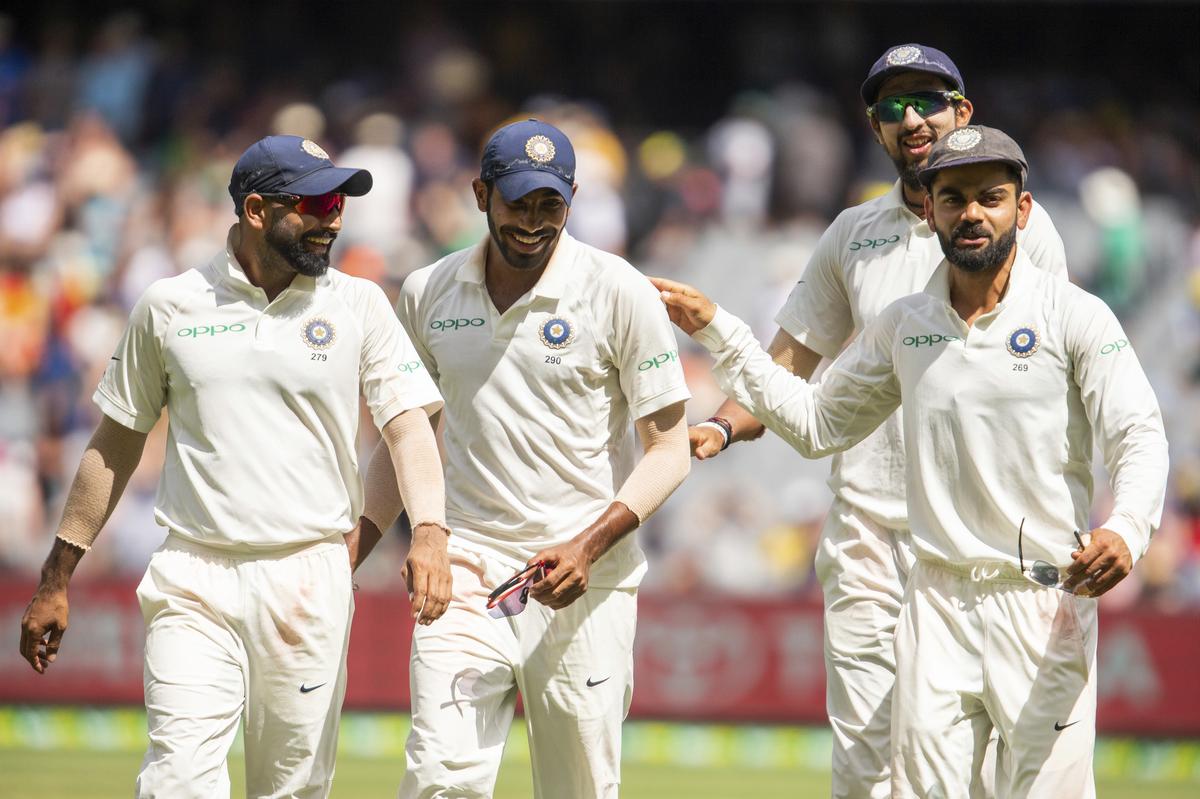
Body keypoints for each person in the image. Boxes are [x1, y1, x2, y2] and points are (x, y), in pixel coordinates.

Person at [653, 125, 1168, 798]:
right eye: (953, 198)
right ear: (930, 212)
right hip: (937, 600)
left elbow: (1138, 430)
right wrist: (720, 329)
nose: (972, 214)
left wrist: (1127, 527)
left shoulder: (1076, 317)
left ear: (1025, 209)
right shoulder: (905, 324)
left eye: (991, 197)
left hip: (1042, 600)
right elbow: (817, 423)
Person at [687, 43, 1068, 797]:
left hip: (978, 535)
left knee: (982, 766)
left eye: (928, 99)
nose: (912, 118)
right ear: (874, 128)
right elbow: (789, 360)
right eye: (893, 107)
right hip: (867, 530)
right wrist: (723, 427)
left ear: (963, 111)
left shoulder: (1023, 228)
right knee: (865, 764)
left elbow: (1043, 373)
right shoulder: (853, 234)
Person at [18, 134, 448, 798]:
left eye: (340, 202)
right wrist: (56, 576)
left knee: (292, 789)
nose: (334, 217)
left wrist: (427, 531)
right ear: (255, 210)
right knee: (177, 778)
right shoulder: (170, 305)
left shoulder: (359, 304)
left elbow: (408, 425)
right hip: (194, 573)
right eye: (317, 202)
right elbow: (115, 444)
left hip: (307, 573)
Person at [360, 118, 691, 799]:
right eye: (517, 203)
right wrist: (349, 552)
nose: (534, 223)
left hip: (583, 583)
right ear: (482, 194)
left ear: (571, 199)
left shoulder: (617, 290)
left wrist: (589, 544)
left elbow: (670, 449)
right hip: (466, 573)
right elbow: (405, 437)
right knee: (438, 780)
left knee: (578, 789)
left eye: (550, 206)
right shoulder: (428, 291)